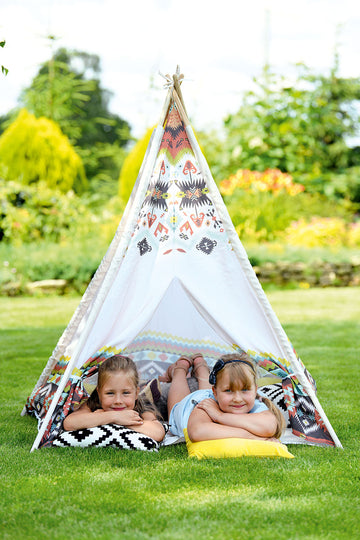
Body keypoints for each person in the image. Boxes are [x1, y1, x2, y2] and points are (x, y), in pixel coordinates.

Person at [166, 352, 285, 442]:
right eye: (229, 391)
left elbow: (269, 427)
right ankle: (179, 369)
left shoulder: (255, 404)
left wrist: (220, 416)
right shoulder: (205, 405)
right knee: (177, 401)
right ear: (215, 393)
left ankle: (201, 367)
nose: (238, 399)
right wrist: (254, 438)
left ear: (255, 390)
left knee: (215, 384)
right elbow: (197, 432)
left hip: (215, 397)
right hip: (185, 408)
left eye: (245, 389)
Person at [63, 355, 165, 442]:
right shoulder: (94, 400)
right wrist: (114, 417)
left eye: (126, 393)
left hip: (159, 400)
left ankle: (149, 387)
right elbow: (69, 423)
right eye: (110, 393)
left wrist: (122, 421)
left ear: (135, 393)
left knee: (161, 394)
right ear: (99, 392)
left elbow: (158, 432)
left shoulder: (142, 403)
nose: (118, 401)